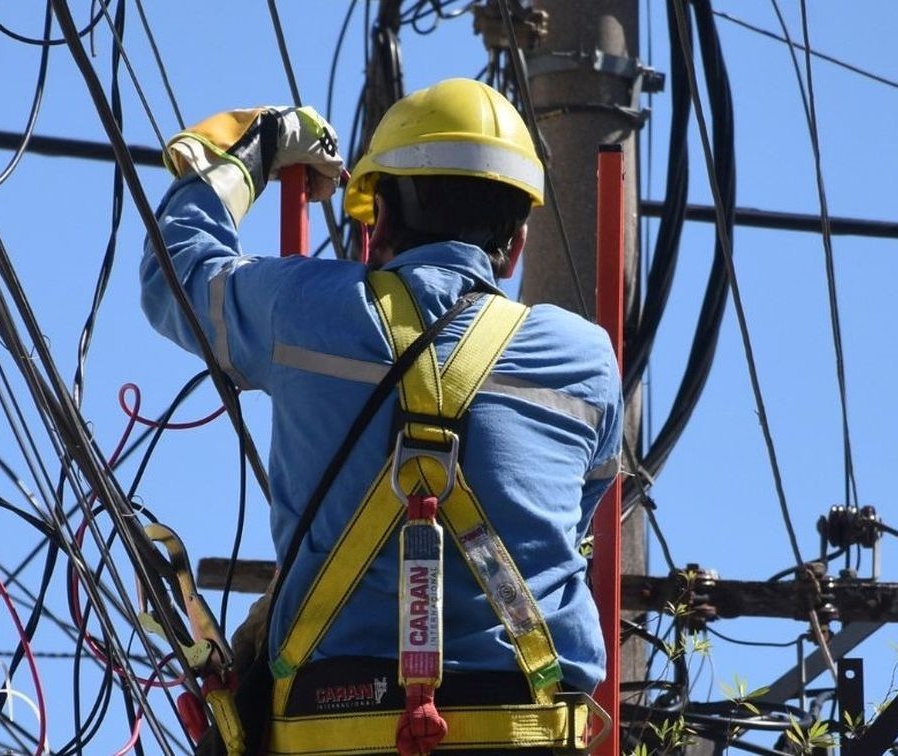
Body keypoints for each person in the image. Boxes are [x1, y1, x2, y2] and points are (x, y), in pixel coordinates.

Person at [141, 79, 622, 755]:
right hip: (528, 731)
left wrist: (253, 151)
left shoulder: (305, 308)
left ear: (381, 219)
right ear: (515, 244)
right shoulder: (585, 361)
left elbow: (175, 274)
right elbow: (572, 514)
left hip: (331, 726)